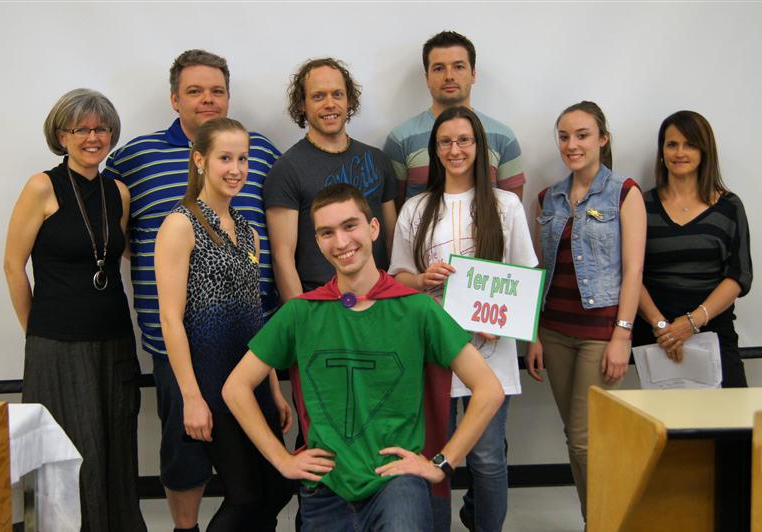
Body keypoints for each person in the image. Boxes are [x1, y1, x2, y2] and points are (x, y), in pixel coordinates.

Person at [224, 184, 504, 532]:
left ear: (373, 228)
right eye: (327, 232)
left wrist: (441, 464)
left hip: (396, 481)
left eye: (350, 226)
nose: (341, 242)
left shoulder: (417, 309)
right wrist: (281, 459)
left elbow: (489, 390)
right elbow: (235, 388)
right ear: (317, 240)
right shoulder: (301, 313)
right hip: (326, 486)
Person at [103, 49, 281, 531]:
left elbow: (255, 306)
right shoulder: (141, 163)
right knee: (191, 462)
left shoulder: (251, 209)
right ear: (174, 98)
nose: (207, 99)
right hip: (185, 355)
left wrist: (270, 383)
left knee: (264, 482)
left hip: (245, 359)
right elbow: (116, 228)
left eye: (217, 90)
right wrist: (193, 393)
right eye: (195, 90)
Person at [389, 106, 537, 532]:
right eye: (445, 142)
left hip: (491, 350)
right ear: (434, 150)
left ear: (479, 147)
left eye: (464, 140)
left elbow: (525, 278)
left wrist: (502, 321)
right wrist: (420, 278)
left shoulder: (505, 205)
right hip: (432, 350)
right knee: (436, 452)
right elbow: (397, 277)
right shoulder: (416, 208)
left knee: (488, 457)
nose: (455, 150)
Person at [4, 88, 146, 531]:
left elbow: (111, 250)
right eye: (80, 128)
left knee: (116, 454)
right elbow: (12, 265)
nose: (92, 136)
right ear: (61, 135)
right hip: (57, 347)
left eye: (101, 128)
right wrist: (37, 334)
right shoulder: (41, 186)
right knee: (66, 465)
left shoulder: (117, 192)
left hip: (115, 342)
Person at [155, 118, 293, 531]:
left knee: (275, 487)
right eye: (225, 158)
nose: (236, 168)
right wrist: (192, 398)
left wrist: (272, 387)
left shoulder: (249, 231)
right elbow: (170, 318)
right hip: (212, 383)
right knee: (245, 495)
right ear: (200, 160)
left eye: (243, 159)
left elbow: (255, 320)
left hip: (251, 379)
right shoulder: (181, 225)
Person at [525, 101, 645, 520]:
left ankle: (607, 522)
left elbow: (633, 272)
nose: (572, 144)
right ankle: (595, 519)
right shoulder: (549, 197)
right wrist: (534, 333)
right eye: (564, 136)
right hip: (555, 332)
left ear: (602, 139)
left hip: (600, 333)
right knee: (576, 438)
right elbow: (538, 269)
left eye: (582, 135)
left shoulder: (625, 193)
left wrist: (623, 335)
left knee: (584, 440)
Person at [634, 111, 752, 387]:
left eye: (690, 144)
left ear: (704, 150)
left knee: (732, 424)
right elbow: (630, 272)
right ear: (661, 151)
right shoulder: (641, 204)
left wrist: (692, 322)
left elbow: (739, 275)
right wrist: (662, 326)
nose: (680, 152)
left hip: (714, 332)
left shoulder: (730, 206)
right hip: (657, 337)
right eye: (671, 144)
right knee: (664, 427)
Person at [264, 57, 398, 302]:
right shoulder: (286, 170)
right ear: (302, 104)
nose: (330, 104)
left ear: (349, 100)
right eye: (318, 96)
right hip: (322, 306)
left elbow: (392, 241)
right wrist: (301, 322)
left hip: (379, 302)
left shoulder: (378, 160)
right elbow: (282, 257)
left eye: (337, 94)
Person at [384, 30, 525, 207]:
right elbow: (395, 210)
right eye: (439, 68)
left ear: (473, 74)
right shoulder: (400, 139)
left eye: (458, 66)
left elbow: (511, 211)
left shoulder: (503, 137)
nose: (449, 76)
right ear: (427, 78)